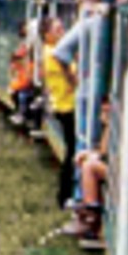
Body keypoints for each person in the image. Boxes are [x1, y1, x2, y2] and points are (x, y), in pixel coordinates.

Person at [40, 16, 78, 208]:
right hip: (67, 105)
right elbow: (73, 79)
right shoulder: (54, 53)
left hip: (64, 104)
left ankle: (66, 194)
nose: (62, 32)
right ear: (47, 35)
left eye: (63, 28)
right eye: (57, 30)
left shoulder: (50, 51)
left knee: (72, 150)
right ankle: (65, 195)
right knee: (72, 151)